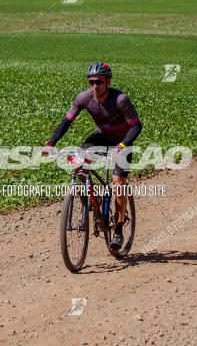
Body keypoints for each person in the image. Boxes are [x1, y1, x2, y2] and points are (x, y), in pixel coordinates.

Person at [44, 61, 142, 251]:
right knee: (77, 161)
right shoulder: (84, 98)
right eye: (91, 82)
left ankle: (119, 231)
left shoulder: (120, 99)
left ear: (108, 81)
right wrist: (50, 144)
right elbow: (66, 121)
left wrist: (122, 145)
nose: (95, 86)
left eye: (99, 82)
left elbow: (136, 126)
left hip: (123, 141)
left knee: (118, 182)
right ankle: (89, 200)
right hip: (102, 137)